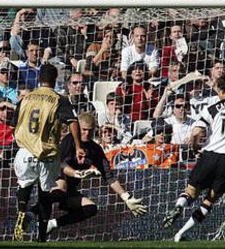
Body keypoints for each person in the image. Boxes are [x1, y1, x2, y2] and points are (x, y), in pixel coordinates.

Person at [162, 73, 225, 241]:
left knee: (190, 191)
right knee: (209, 201)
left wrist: (195, 149)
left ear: (222, 90)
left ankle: (179, 206)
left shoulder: (212, 108)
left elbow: (196, 132)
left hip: (210, 155)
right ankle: (180, 234)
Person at [12, 64, 85, 242]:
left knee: (24, 185)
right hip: (46, 152)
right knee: (45, 193)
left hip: (24, 151)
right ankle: (42, 235)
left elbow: (14, 122)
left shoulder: (25, 99)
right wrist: (77, 146)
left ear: (39, 79)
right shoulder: (58, 99)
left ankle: (22, 211)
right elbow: (72, 121)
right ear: (54, 79)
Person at [45, 112, 147, 234]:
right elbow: (60, 164)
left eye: (90, 130)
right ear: (77, 127)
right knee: (60, 188)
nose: (87, 133)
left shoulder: (95, 149)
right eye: (84, 130)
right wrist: (77, 173)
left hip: (70, 190)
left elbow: (108, 176)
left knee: (91, 209)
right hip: (53, 181)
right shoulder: (69, 140)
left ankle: (52, 224)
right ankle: (31, 213)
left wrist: (125, 196)